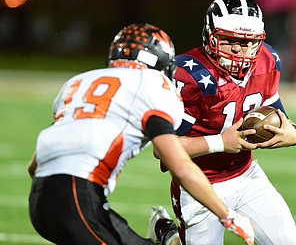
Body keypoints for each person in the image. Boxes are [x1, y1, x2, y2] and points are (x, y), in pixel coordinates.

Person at [27, 23, 255, 245]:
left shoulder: (78, 82)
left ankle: (165, 235)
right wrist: (227, 215)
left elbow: (34, 166)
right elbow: (180, 166)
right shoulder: (152, 84)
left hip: (38, 200)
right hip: (78, 197)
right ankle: (166, 236)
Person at [161, 0, 296, 245]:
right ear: (210, 35)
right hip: (199, 184)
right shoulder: (189, 74)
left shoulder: (268, 60)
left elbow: (280, 117)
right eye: (230, 40)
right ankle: (169, 237)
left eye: (249, 42)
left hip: (246, 174)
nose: (240, 49)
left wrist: (293, 133)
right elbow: (164, 151)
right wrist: (220, 143)